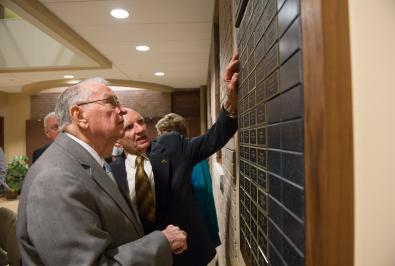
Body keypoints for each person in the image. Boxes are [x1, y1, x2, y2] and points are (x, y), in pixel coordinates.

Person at [17, 77, 187, 266]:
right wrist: (161, 242)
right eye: (111, 102)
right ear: (79, 115)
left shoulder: (92, 162)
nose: (122, 110)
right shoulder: (55, 177)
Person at [110, 52, 239, 266]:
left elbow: (212, 139)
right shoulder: (111, 173)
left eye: (141, 122)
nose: (140, 129)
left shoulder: (172, 148)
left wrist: (231, 103)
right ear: (117, 138)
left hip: (189, 257)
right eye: (129, 127)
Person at [155, 113, 221, 248]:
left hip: (193, 237)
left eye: (160, 134)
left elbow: (199, 196)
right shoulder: (194, 155)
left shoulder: (187, 160)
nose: (158, 140)